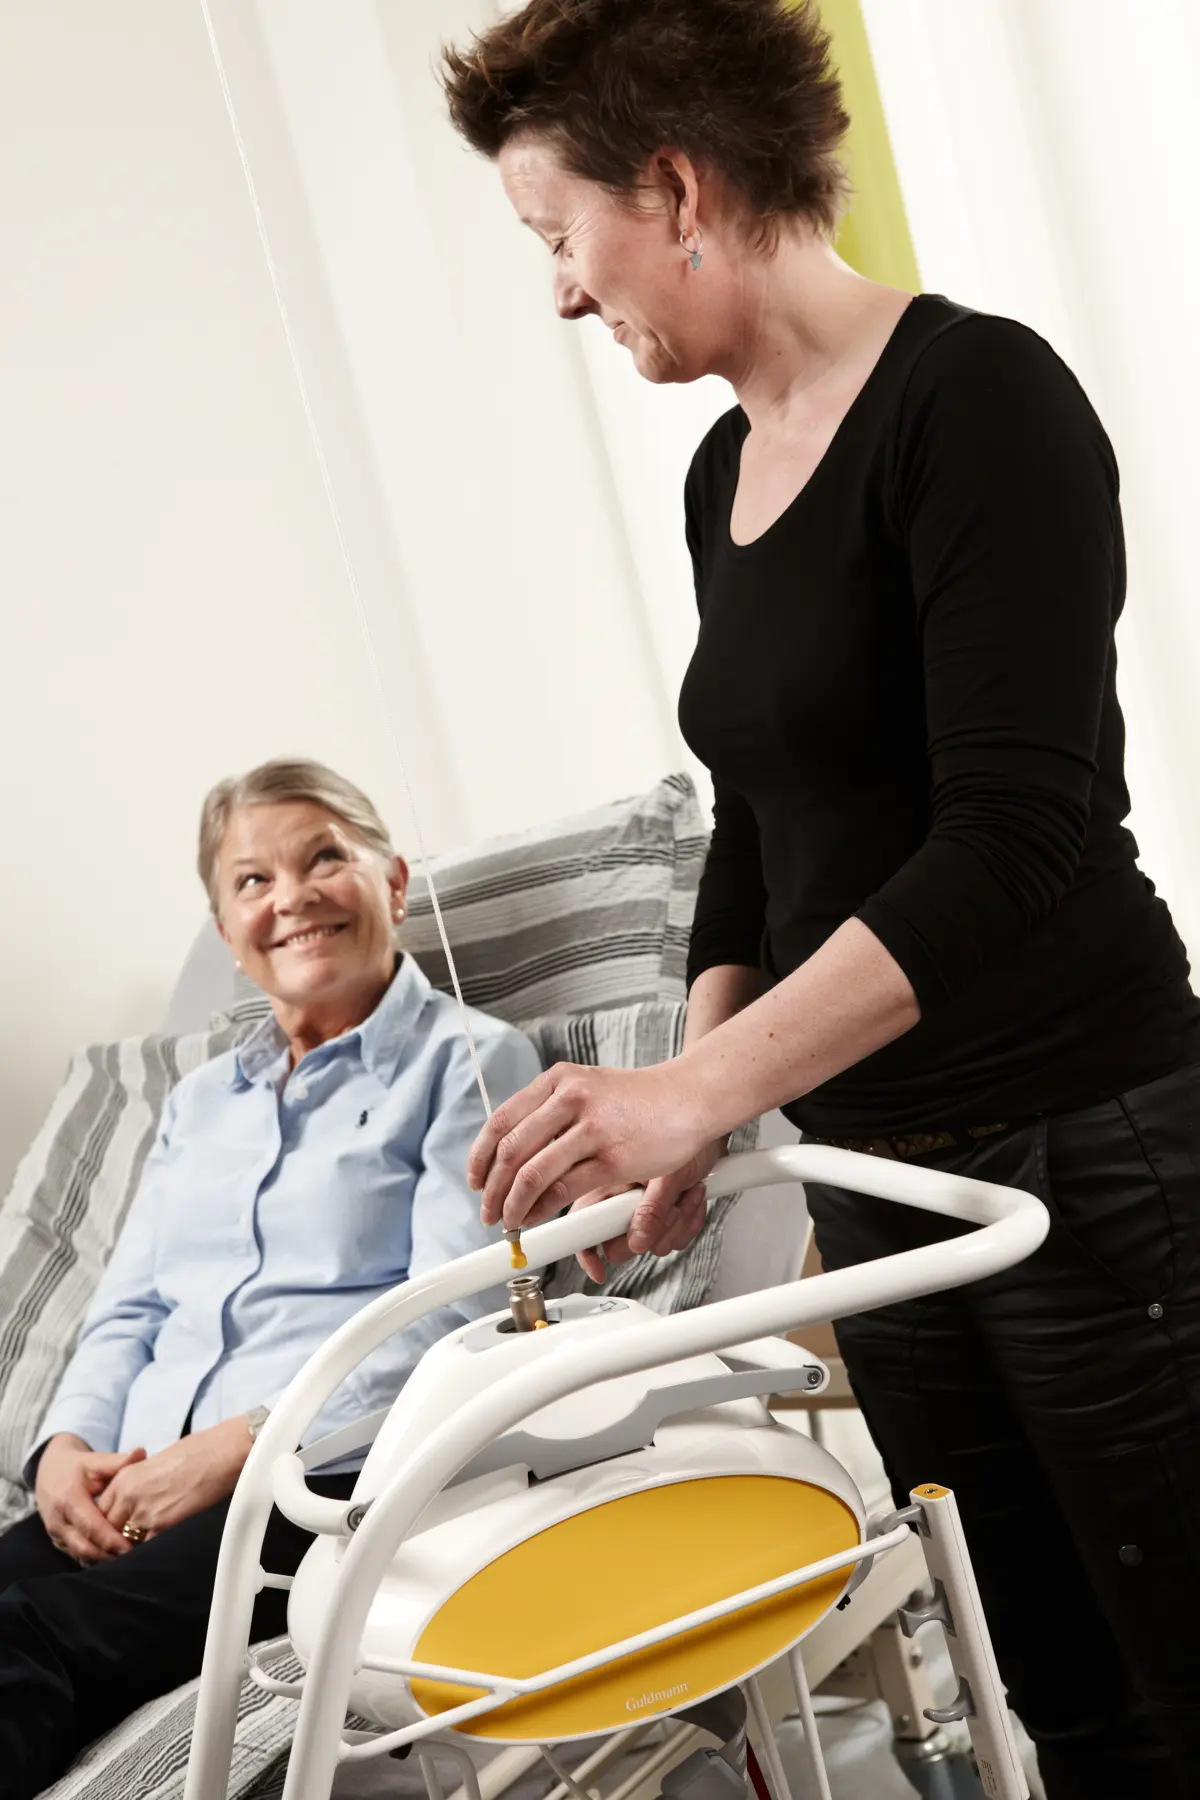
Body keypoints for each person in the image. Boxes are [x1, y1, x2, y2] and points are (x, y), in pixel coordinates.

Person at [443, 4, 1200, 1795]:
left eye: (559, 235)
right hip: (875, 1192)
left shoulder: (980, 402)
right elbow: (757, 825)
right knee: (1065, 1709)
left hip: (1081, 1159)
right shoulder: (724, 468)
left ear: (676, 187)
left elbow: (1017, 837)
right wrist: (699, 1104)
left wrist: (701, 1087)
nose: (561, 293)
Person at [0, 757, 540, 1797]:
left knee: (26, 1641)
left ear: (392, 883)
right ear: (225, 931)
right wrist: (63, 1451)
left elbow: (449, 1325)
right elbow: (129, 1307)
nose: (290, 897)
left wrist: (237, 1447)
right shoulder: (198, 1102)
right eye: (252, 881)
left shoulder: (470, 1062)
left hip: (315, 1491)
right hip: (123, 1492)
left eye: (324, 858)